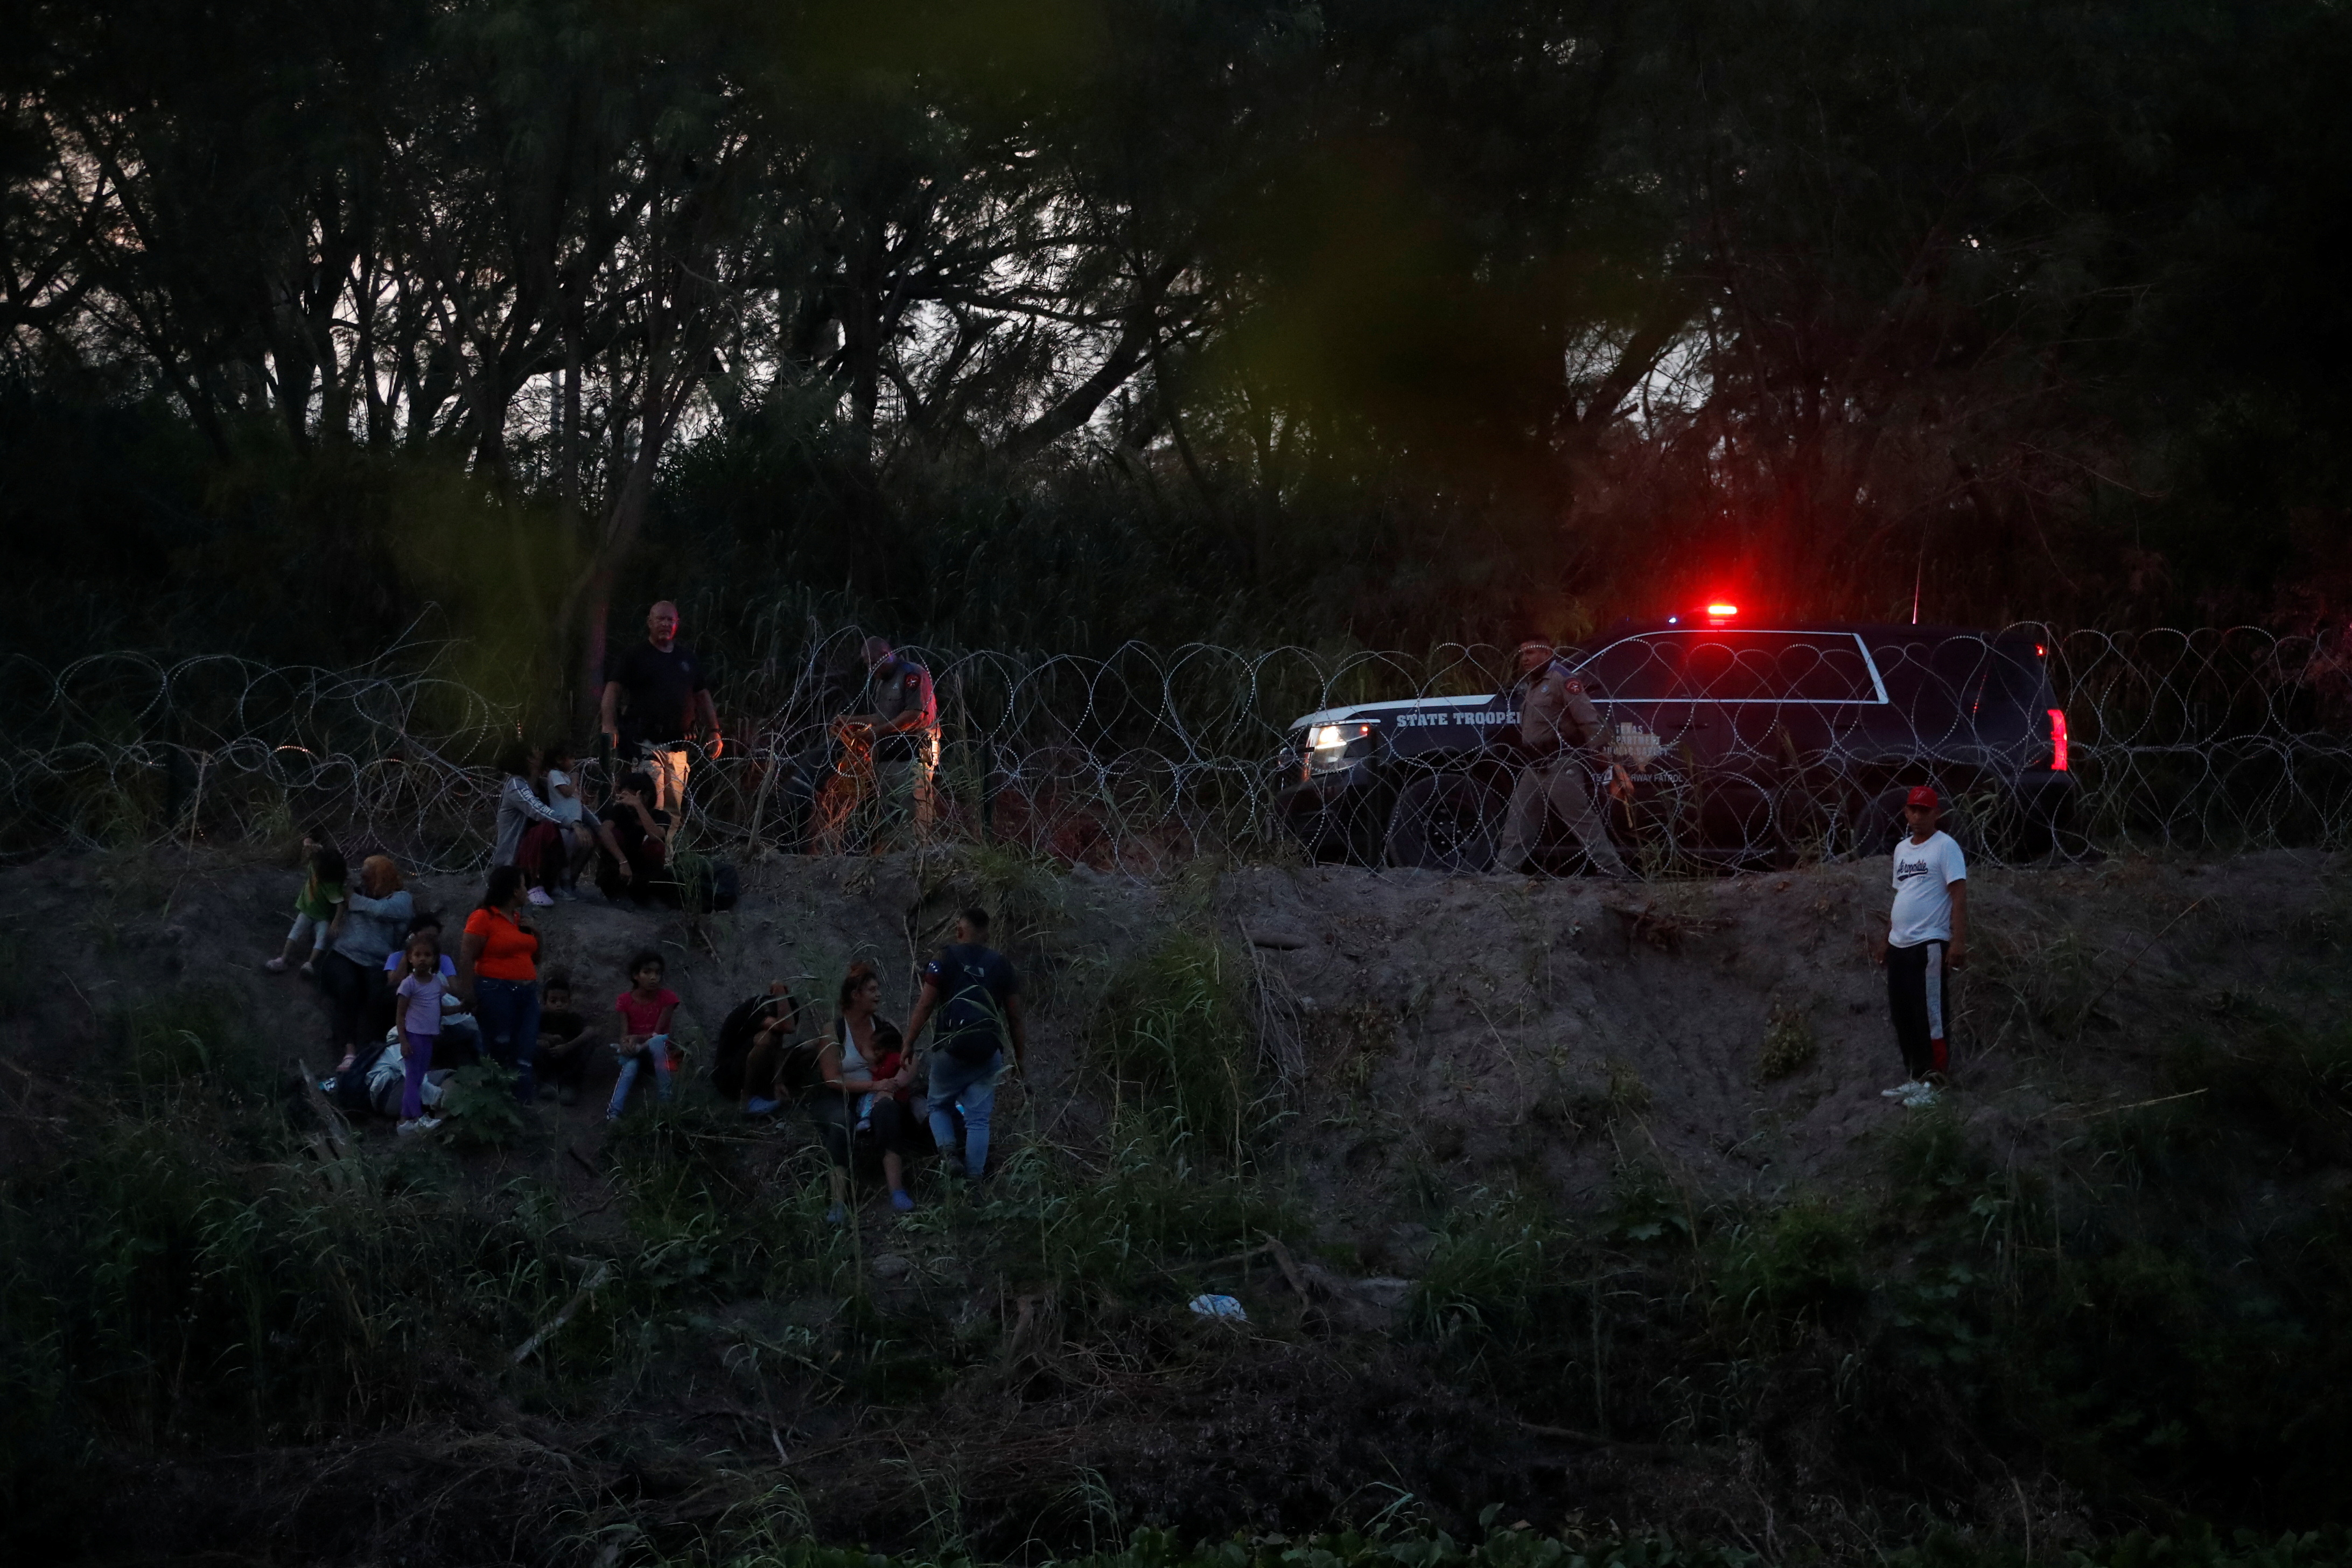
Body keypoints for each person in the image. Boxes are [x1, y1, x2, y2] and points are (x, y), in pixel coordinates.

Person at [1493, 638, 1636, 878]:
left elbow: (1587, 717)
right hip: (1535, 765)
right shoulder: (1534, 684)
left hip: (1558, 764)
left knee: (1582, 820)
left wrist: (1604, 752)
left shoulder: (1563, 679)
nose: (1524, 659)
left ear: (1548, 652)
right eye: (1521, 654)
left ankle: (1614, 872)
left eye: (1531, 652)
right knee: (1519, 821)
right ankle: (1504, 871)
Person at [905, 907, 1025, 1182]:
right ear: (987, 933)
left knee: (936, 1105)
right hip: (987, 1054)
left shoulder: (945, 957)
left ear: (960, 930)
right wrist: (1020, 1060)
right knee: (979, 1119)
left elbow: (926, 1005)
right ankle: (975, 1182)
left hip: (951, 1050)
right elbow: (1016, 1017)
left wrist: (908, 1043)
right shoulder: (1002, 964)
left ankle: (949, 1154)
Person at [1877, 786, 1968, 1109]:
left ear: (1936, 814)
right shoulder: (1902, 850)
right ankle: (1915, 1078)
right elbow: (1902, 895)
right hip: (1899, 944)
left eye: (1924, 811)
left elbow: (1958, 895)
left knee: (1929, 1014)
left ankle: (1936, 1082)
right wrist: (1886, 939)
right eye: (1912, 810)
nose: (1917, 816)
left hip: (1929, 943)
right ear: (1905, 813)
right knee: (1903, 1014)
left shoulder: (1946, 848)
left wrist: (1957, 941)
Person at [812, 961, 918, 1213]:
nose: (879, 994)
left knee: (888, 1111)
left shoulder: (884, 1026)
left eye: (878, 989)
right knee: (841, 1122)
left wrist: (892, 1087)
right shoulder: (834, 1030)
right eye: (871, 990)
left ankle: (898, 1192)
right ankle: (838, 1203)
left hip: (880, 1090)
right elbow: (832, 1078)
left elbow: (911, 1060)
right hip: (842, 1094)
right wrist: (874, 1085)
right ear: (855, 995)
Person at [600, 600, 722, 816]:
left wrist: (714, 731)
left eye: (670, 620)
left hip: (678, 746)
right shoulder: (635, 655)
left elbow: (702, 695)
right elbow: (613, 690)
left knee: (672, 812)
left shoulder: (686, 658)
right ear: (650, 622)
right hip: (646, 744)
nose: (665, 624)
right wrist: (609, 725)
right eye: (660, 619)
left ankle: (666, 849)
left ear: (677, 623)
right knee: (649, 807)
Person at [320, 855, 415, 1078]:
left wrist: (354, 901)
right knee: (348, 988)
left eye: (370, 875)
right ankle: (349, 1050)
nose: (366, 879)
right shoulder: (355, 890)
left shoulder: (401, 899)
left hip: (377, 962)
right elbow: (337, 877)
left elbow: (384, 911)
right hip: (344, 955)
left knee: (378, 999)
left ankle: (370, 1053)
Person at [837, 636, 939, 841]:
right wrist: (851, 720)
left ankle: (917, 864)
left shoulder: (912, 674)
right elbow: (882, 717)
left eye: (872, 662)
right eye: (866, 664)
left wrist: (876, 733)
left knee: (912, 814)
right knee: (890, 817)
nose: (869, 669)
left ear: (886, 655)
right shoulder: (882, 683)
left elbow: (916, 715)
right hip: (889, 755)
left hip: (913, 753)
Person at [457, 865, 543, 1104]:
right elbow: (466, 956)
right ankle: (495, 1104)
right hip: (497, 991)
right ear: (515, 890)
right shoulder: (484, 917)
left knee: (525, 1051)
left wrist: (537, 934)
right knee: (499, 1048)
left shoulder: (518, 920)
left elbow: (534, 958)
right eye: (524, 885)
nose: (527, 890)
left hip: (527, 993)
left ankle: (522, 1108)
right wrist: (469, 993)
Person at [393, 930, 456, 1135]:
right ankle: (418, 1118)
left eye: (427, 955)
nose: (422, 959)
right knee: (413, 1079)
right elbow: (400, 1016)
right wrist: (403, 1041)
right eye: (418, 955)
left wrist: (461, 1007)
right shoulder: (408, 984)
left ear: (434, 959)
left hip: (429, 1037)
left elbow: (440, 1010)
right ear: (410, 958)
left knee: (418, 1079)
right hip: (414, 1037)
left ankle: (404, 1120)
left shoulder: (437, 983)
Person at [492, 743, 568, 907]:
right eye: (537, 751)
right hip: (515, 860)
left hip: (541, 854)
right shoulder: (516, 786)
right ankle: (534, 885)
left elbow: (576, 809)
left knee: (579, 834)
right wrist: (571, 823)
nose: (542, 754)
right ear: (529, 760)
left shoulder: (543, 785)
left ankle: (561, 883)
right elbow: (539, 812)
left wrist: (582, 824)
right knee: (546, 828)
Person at [608, 949, 679, 1119]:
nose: (653, 977)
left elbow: (658, 1033)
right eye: (647, 972)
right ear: (636, 976)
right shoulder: (625, 1000)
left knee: (657, 1041)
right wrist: (626, 1044)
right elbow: (624, 1033)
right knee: (631, 1067)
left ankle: (665, 1102)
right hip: (636, 1052)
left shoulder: (668, 998)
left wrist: (637, 1039)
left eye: (657, 973)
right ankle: (614, 1114)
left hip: (657, 1051)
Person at [543, 740, 617, 900]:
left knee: (573, 856)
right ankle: (560, 888)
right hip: (565, 825)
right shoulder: (555, 775)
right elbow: (567, 793)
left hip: (575, 823)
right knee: (564, 860)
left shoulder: (564, 776)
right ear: (558, 759)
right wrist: (575, 779)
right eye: (570, 758)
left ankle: (569, 886)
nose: (573, 761)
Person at [266, 832, 346, 976]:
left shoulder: (320, 874)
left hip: (321, 916)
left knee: (311, 936)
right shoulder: (320, 870)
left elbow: (340, 905)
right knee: (298, 933)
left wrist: (335, 923)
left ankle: (308, 964)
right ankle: (286, 959)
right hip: (313, 912)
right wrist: (312, 846)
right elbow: (340, 904)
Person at [595, 770, 678, 906]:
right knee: (613, 835)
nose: (624, 799)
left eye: (628, 795)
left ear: (644, 796)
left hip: (645, 873)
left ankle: (646, 894)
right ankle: (615, 891)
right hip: (620, 869)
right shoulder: (620, 811)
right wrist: (623, 862)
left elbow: (656, 836)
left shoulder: (660, 816)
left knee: (655, 846)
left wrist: (639, 806)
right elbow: (604, 831)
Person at [714, 980, 802, 1103]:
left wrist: (779, 1081)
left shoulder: (771, 1023)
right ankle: (747, 1099)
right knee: (766, 1038)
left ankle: (768, 1092)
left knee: (810, 1048)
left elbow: (778, 1047)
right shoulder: (755, 1010)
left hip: (751, 1069)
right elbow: (787, 1026)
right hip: (728, 1078)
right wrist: (780, 990)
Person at [536, 970, 593, 1106]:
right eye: (554, 1001)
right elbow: (527, 1032)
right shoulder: (541, 1019)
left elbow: (591, 1032)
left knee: (588, 1044)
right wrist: (546, 1038)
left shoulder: (573, 1019)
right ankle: (548, 1082)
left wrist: (568, 1046)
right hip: (548, 1061)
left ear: (569, 1002)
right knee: (534, 1044)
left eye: (563, 1001)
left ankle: (570, 1085)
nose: (559, 1004)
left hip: (569, 1062)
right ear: (545, 1002)